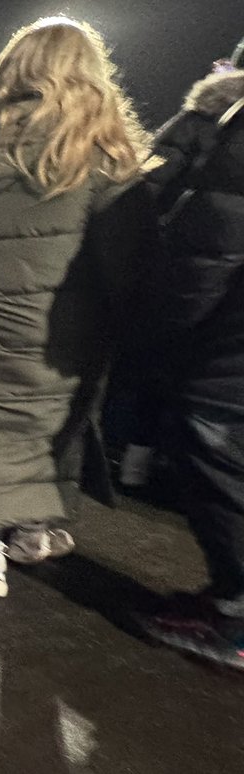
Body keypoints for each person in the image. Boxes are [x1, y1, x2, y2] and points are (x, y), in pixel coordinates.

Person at [0, 17, 154, 597]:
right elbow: (129, 269)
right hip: (59, 340)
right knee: (39, 437)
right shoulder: (103, 159)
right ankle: (31, 530)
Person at [140, 38, 244, 666]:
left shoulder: (223, 136)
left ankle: (235, 621)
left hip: (224, 362)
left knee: (221, 476)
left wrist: (156, 345)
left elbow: (203, 258)